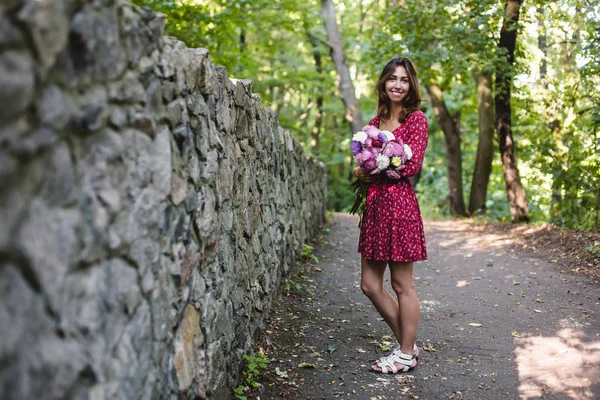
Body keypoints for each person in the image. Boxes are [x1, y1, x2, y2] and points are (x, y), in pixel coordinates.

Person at [353, 56, 428, 374]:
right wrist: (361, 170)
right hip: (374, 207)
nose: (398, 85)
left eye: (405, 80)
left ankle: (406, 353)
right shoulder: (373, 122)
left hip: (400, 208)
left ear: (411, 85)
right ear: (384, 83)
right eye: (393, 79)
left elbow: (411, 165)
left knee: (401, 284)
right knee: (369, 284)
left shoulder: (416, 120)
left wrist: (380, 163)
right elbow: (361, 164)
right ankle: (407, 344)